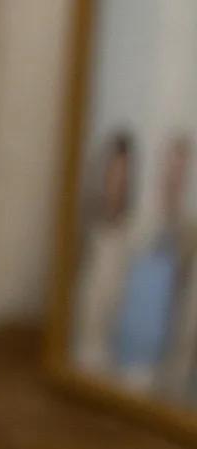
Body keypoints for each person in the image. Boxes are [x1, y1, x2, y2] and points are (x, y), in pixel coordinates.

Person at [112, 132, 195, 390]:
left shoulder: (189, 235)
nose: (174, 179)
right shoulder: (134, 226)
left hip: (163, 368)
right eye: (171, 169)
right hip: (121, 359)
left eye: (181, 173)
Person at [74, 130, 134, 373]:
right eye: (112, 172)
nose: (116, 183)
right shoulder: (85, 227)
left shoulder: (132, 237)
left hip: (109, 358)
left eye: (123, 175)